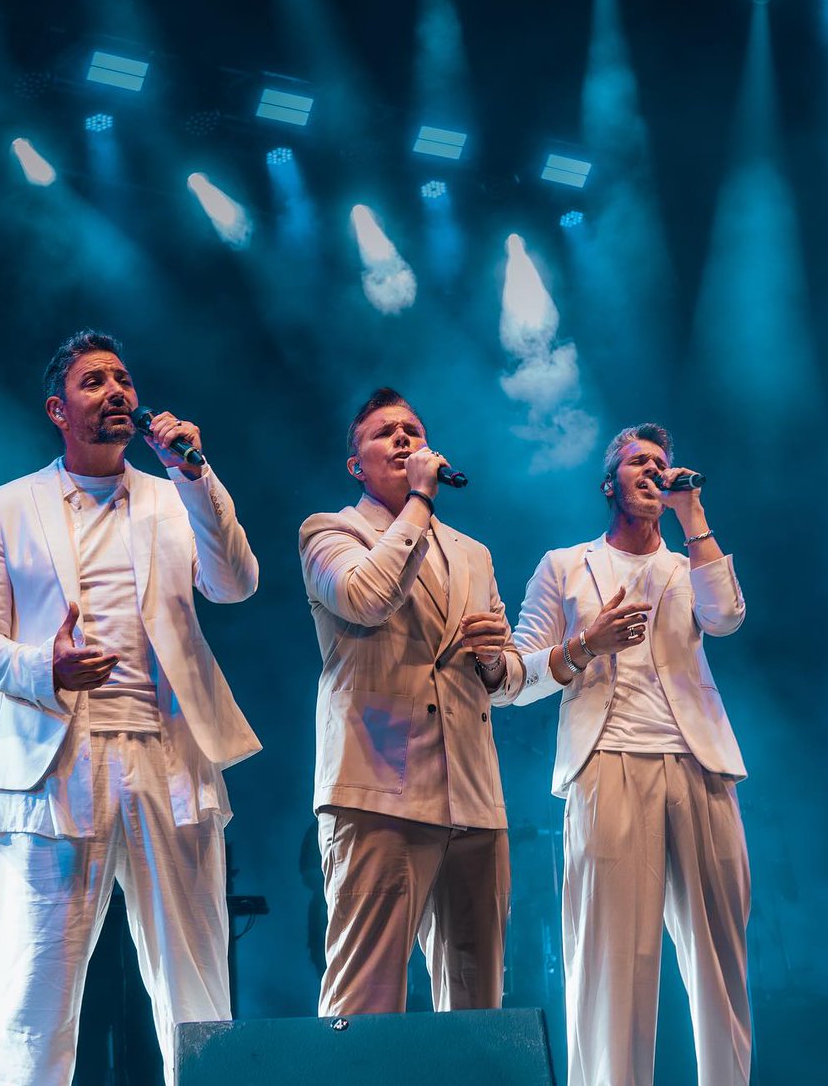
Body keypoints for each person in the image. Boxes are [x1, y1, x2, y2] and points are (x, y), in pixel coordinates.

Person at [0, 330, 260, 1086]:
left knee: (197, 988)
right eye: (94, 381)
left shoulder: (176, 495)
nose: (116, 391)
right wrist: (44, 666)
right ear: (59, 410)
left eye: (123, 379)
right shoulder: (5, 508)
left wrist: (196, 473)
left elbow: (236, 583)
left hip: (170, 756)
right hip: (57, 764)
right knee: (31, 989)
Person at [513, 423, 751, 1086]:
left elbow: (727, 617)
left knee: (721, 962)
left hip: (700, 763)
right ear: (607, 484)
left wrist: (692, 513)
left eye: (661, 463)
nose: (652, 470)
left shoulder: (688, 562)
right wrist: (586, 644)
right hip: (607, 762)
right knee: (611, 965)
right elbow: (515, 678)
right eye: (637, 461)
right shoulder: (564, 565)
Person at [299, 387, 523, 1017]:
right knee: (364, 1000)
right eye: (385, 432)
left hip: (473, 794)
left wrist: (492, 659)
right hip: (378, 787)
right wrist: (420, 501)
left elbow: (508, 678)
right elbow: (366, 598)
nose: (403, 438)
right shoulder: (329, 532)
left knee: (478, 1003)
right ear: (357, 465)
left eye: (412, 431)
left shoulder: (473, 553)